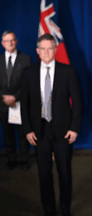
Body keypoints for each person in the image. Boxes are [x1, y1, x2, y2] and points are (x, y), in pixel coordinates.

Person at [21, 33, 82, 216]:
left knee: (65, 174)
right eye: (43, 49)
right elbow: (24, 104)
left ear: (55, 50)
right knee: (44, 174)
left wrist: (74, 128)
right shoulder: (28, 73)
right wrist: (28, 129)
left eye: (50, 48)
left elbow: (77, 102)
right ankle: (49, 210)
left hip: (63, 130)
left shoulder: (67, 71)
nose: (46, 52)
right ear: (38, 51)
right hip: (39, 130)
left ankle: (65, 210)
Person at [0, 30, 32, 171]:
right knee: (8, 134)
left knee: (23, 133)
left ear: (16, 41)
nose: (10, 43)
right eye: (7, 41)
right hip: (3, 103)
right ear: (2, 43)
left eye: (12, 40)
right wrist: (4, 97)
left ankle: (24, 160)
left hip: (20, 103)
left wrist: (15, 97)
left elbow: (29, 82)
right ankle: (11, 159)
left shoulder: (26, 59)